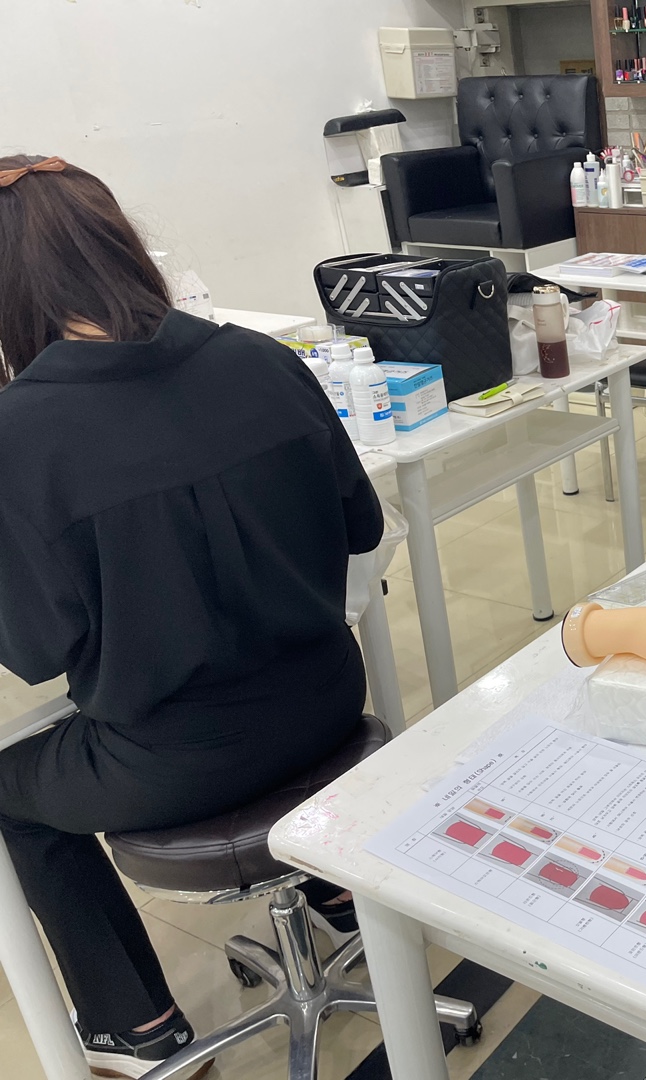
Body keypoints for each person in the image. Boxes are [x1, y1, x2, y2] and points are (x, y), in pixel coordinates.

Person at [0, 155, 383, 1078]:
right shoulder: (262, 359)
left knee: (10, 791)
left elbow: (35, 648)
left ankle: (136, 1025)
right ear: (122, 247)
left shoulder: (20, 436)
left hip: (174, 762)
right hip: (330, 698)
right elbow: (362, 525)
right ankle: (334, 892)